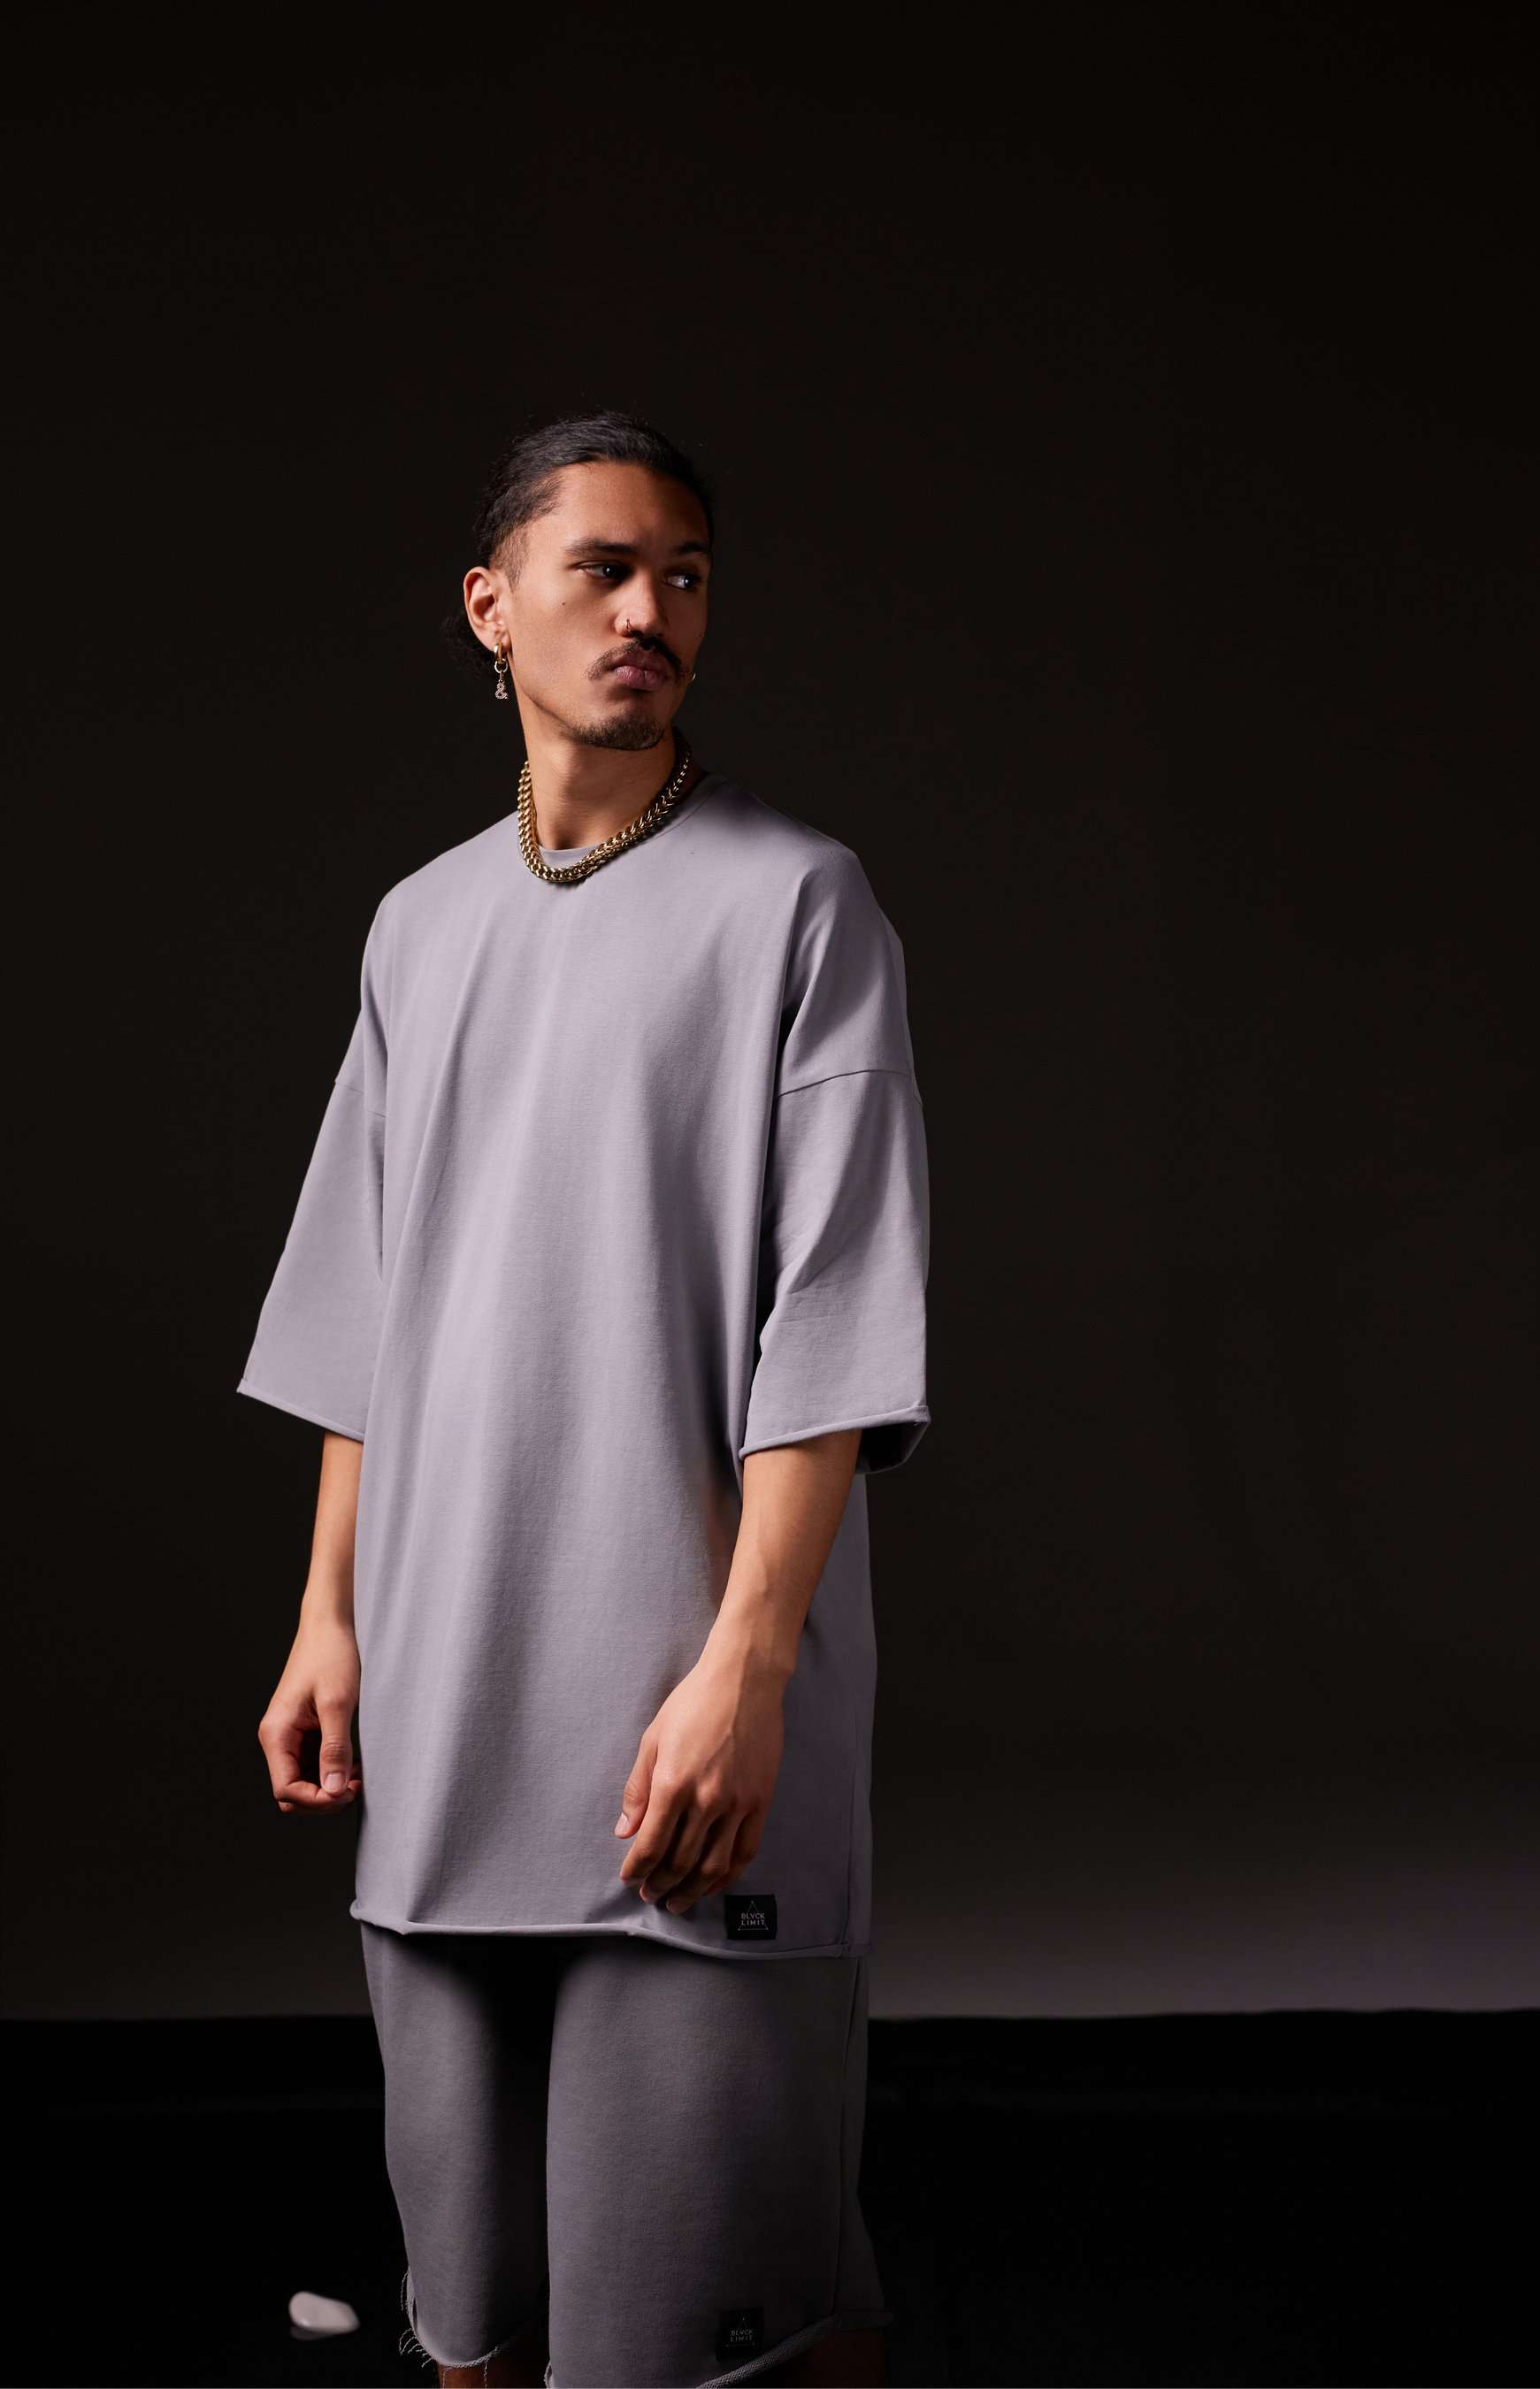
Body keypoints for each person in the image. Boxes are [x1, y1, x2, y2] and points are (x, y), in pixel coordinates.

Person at [238, 410, 931, 2388]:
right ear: (492, 606)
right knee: (469, 2327)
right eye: (604, 568)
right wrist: (328, 1613)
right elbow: (362, 1306)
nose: (650, 610)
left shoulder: (801, 903)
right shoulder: (419, 924)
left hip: (682, 1717)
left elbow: (835, 1325)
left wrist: (750, 1674)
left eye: (683, 575)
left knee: (700, 2328)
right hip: (449, 1700)